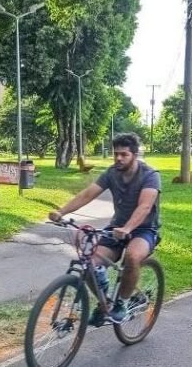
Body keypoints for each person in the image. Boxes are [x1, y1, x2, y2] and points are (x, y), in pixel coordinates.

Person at [49, 133, 161, 324]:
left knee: (132, 257)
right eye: (115, 153)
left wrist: (128, 228)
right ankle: (104, 305)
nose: (118, 158)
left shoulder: (150, 176)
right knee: (90, 264)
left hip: (144, 229)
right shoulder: (111, 173)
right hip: (116, 228)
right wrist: (61, 212)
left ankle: (122, 303)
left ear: (134, 155)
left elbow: (145, 206)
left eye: (124, 154)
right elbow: (87, 194)